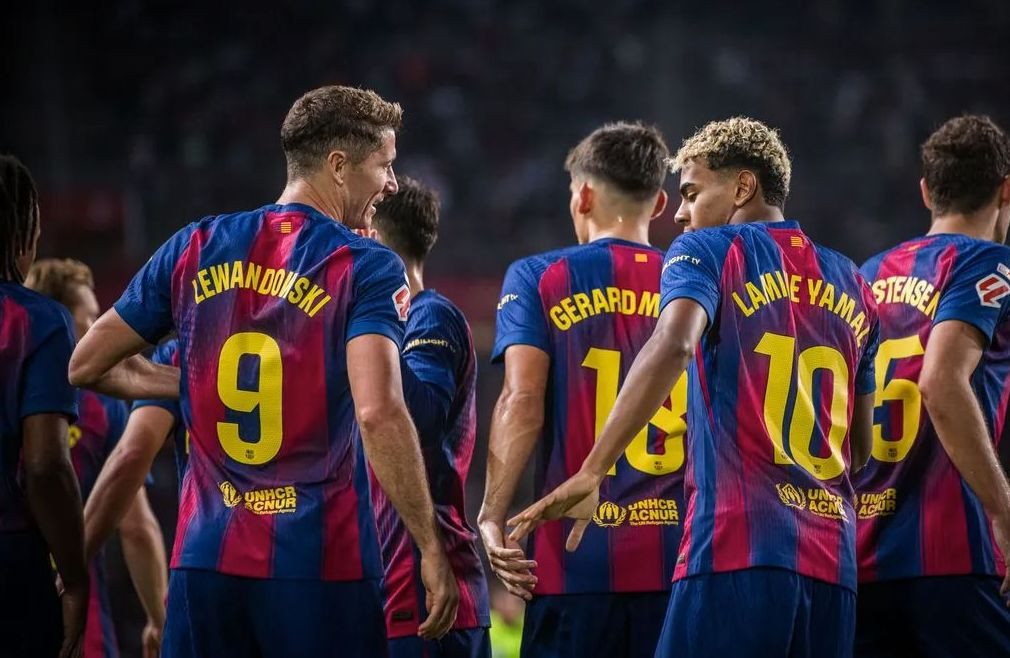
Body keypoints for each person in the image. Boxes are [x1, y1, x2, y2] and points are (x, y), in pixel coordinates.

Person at [66, 85, 459, 657]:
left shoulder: (195, 245)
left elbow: (86, 363)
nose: (393, 184)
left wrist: (197, 385)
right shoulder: (366, 264)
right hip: (321, 566)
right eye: (385, 165)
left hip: (204, 561)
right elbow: (377, 411)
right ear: (339, 166)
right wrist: (429, 545)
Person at [508, 117, 878, 658]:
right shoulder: (854, 282)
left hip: (733, 552)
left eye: (691, 193)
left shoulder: (707, 250)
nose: (680, 213)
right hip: (833, 570)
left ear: (743, 187)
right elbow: (860, 450)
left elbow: (675, 343)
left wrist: (593, 469)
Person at [479, 122, 686, 657]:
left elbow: (521, 400)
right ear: (660, 203)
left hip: (572, 562)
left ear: (585, 195)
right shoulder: (692, 285)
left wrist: (492, 515)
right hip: (680, 562)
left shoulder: (539, 276)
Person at [854, 115, 1010, 656]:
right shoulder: (990, 264)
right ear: (1006, 190)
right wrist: (1003, 509)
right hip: (954, 556)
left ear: (926, 192)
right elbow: (941, 381)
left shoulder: (866, 275)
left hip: (862, 555)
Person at [369, 176, 491, 657]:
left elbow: (420, 420)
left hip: (428, 588)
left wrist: (372, 323)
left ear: (371, 237)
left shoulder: (428, 315)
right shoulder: (368, 333)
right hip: (383, 579)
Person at [25, 258, 169, 658]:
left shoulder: (9, 394)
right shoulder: (101, 408)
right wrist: (159, 621)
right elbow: (137, 528)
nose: (98, 329)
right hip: (81, 623)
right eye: (89, 317)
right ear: (58, 322)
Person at [0, 155, 88, 658]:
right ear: (26, 232)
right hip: (12, 563)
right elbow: (45, 466)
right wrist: (74, 578)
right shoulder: (37, 320)